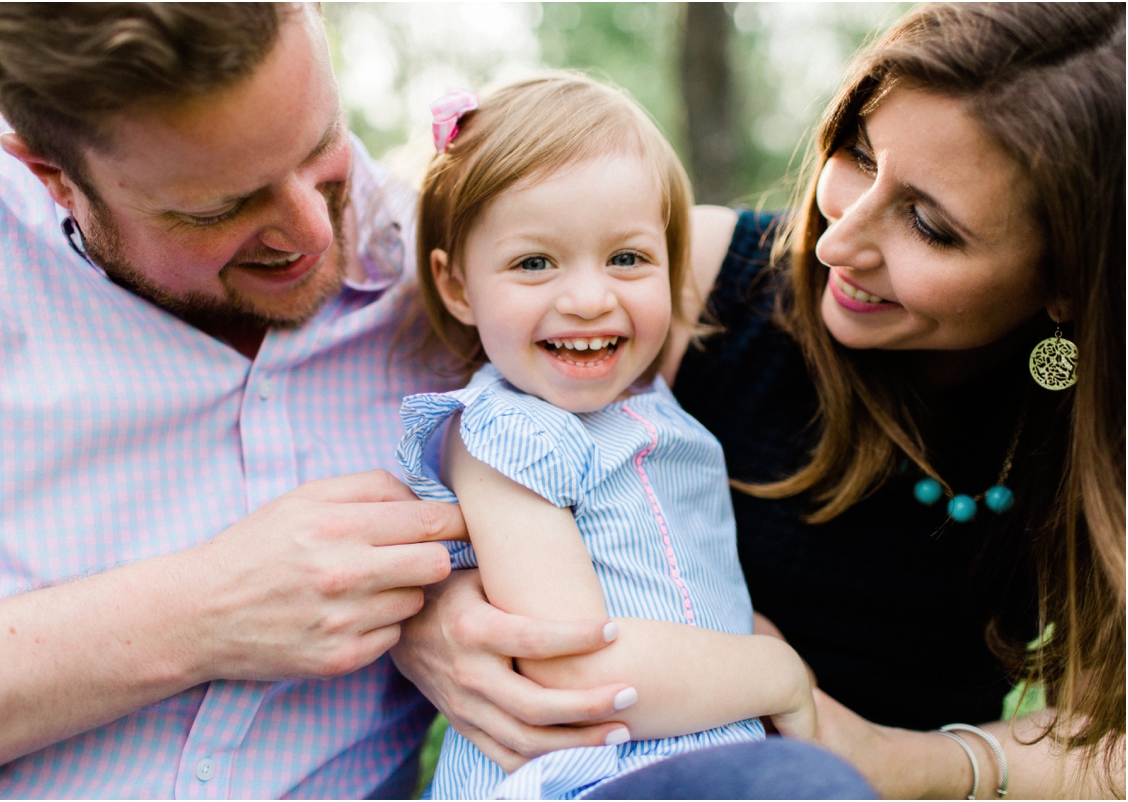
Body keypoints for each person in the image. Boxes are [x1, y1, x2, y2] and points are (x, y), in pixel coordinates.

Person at [392, 4, 1125, 798]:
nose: (833, 242)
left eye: (927, 224)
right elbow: (459, 433)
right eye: (856, 153)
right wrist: (427, 613)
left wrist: (897, 762)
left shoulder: (1094, 426)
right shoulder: (698, 284)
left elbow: (1111, 747)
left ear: (1066, 281)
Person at [0, 4, 498, 797]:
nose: (309, 232)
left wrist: (450, 603)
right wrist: (200, 613)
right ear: (52, 175)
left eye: (320, 146)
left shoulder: (473, 284)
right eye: (218, 209)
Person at [396, 75, 817, 799]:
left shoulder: (660, 417)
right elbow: (575, 664)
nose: (590, 299)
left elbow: (670, 582)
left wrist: (751, 632)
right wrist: (775, 673)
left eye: (627, 258)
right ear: (459, 286)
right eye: (534, 262)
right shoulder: (505, 435)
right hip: (582, 777)